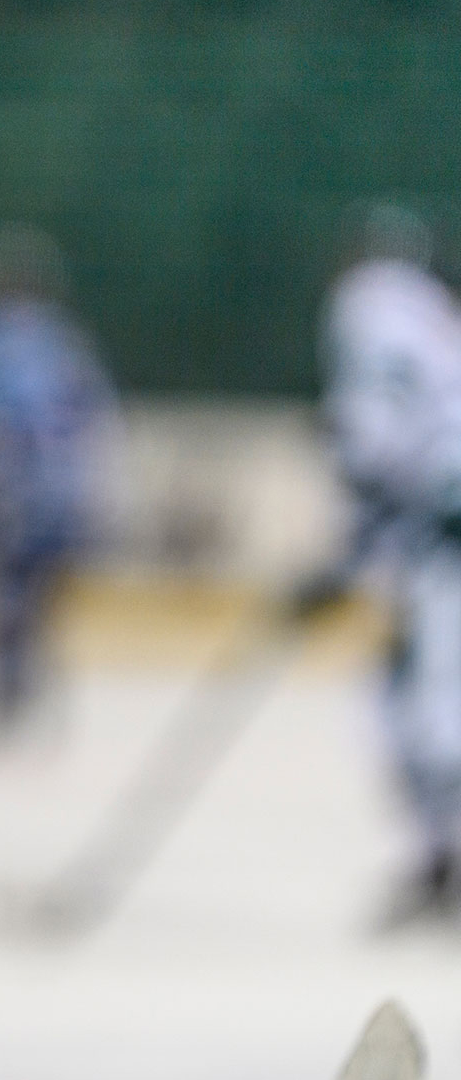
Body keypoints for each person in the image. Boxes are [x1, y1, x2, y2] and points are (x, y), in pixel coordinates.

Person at [311, 202, 461, 928]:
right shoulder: (435, 317)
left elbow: (376, 445)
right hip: (438, 534)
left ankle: (442, 867)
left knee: (423, 712)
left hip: (447, 541)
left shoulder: (369, 310)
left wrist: (348, 556)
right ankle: (440, 865)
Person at [0, 223, 117, 733]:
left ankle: (6, 692)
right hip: (61, 490)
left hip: (11, 488)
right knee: (40, 595)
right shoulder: (65, 340)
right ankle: (27, 687)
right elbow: (93, 416)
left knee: (0, 591)